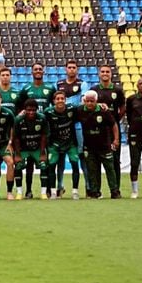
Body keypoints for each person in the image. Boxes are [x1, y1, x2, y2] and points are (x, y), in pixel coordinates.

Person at [56, 60, 89, 197]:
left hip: (77, 125)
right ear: (65, 69)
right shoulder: (59, 84)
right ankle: (59, 187)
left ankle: (88, 187)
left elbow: (83, 102)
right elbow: (57, 100)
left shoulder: (83, 84)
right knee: (60, 156)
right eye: (69, 67)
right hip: (62, 125)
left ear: (77, 69)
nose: (71, 70)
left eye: (74, 68)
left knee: (82, 156)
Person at [77, 90, 120, 199]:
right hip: (89, 147)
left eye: (92, 101)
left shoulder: (104, 111)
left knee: (110, 169)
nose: (90, 103)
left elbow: (114, 125)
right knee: (92, 171)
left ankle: (114, 191)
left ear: (96, 101)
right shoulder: (80, 110)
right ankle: (95, 192)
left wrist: (116, 140)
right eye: (87, 101)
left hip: (104, 146)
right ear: (84, 101)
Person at [91, 65, 125, 194]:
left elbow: (123, 107)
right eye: (103, 71)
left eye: (107, 72)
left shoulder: (117, 90)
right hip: (98, 131)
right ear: (99, 74)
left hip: (113, 131)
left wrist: (114, 120)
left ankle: (115, 190)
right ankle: (96, 191)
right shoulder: (94, 90)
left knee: (115, 160)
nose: (105, 73)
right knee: (97, 161)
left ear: (111, 74)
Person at [44, 91, 80, 199]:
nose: (60, 101)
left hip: (70, 143)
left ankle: (75, 191)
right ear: (54, 101)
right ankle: (53, 192)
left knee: (75, 165)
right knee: (51, 166)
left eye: (62, 98)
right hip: (54, 144)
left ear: (65, 100)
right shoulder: (48, 112)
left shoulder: (72, 109)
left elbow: (84, 110)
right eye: (57, 99)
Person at [13, 99, 50, 199]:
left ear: (37, 110)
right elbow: (16, 138)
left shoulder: (42, 118)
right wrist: (17, 154)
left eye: (33, 110)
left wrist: (42, 153)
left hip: (37, 148)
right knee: (18, 166)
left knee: (43, 165)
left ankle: (43, 192)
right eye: (29, 110)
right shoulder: (18, 120)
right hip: (23, 149)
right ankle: (19, 192)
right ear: (24, 110)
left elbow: (43, 136)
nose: (31, 112)